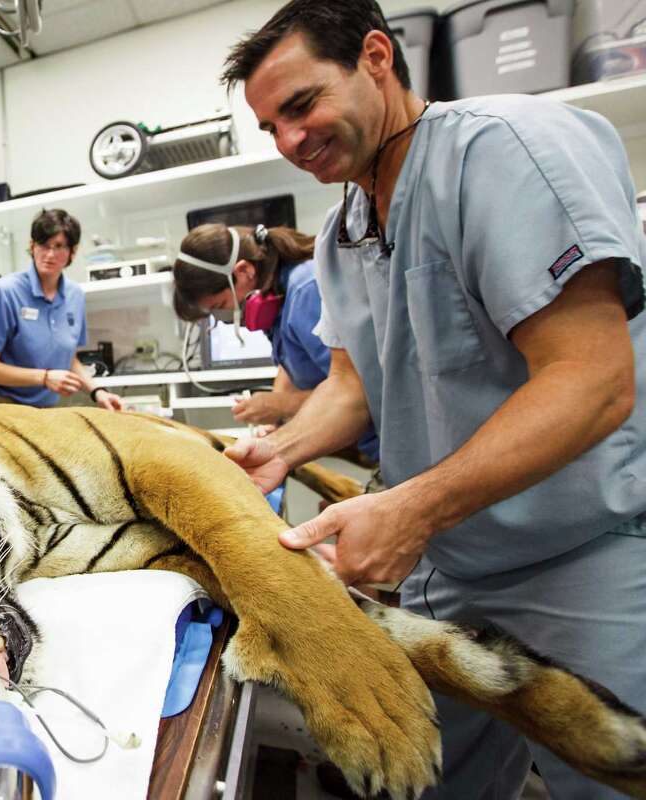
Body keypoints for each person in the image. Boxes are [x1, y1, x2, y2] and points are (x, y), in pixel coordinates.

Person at [220, 1, 646, 797]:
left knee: (609, 772)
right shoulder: (344, 230)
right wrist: (279, 453)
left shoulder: (503, 151)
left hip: (582, 556)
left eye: (302, 105)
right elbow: (354, 385)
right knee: (425, 776)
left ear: (377, 57)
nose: (288, 142)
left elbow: (593, 380)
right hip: (451, 568)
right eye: (270, 125)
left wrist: (411, 510)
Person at [171, 221, 377, 462]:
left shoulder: (305, 290)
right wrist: (275, 419)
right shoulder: (280, 297)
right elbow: (291, 360)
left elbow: (361, 389)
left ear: (244, 271)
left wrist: (282, 405)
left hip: (387, 439)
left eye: (220, 306)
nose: (223, 319)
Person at [0, 209, 123, 411]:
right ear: (32, 246)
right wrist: (44, 378)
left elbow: (68, 358)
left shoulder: (74, 295)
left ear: (73, 251)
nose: (50, 254)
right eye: (44, 245)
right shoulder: (7, 291)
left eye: (59, 246)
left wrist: (98, 392)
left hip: (44, 409)